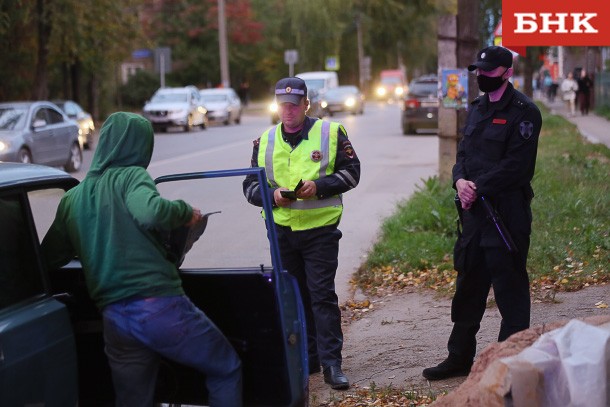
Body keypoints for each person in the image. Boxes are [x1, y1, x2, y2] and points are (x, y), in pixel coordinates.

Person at [41, 112, 242, 406]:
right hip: (159, 306)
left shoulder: (72, 199)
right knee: (226, 368)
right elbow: (149, 212)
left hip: (113, 317)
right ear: (138, 147)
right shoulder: (131, 175)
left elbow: (49, 257)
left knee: (133, 400)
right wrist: (186, 212)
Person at [423, 46, 542, 381]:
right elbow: (463, 154)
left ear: (506, 73)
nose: (481, 78)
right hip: (474, 215)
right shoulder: (476, 109)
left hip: (506, 215)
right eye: (479, 72)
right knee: (468, 289)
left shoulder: (524, 112)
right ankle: (459, 357)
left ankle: (509, 362)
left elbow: (518, 167)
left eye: (489, 72)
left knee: (510, 291)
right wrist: (459, 180)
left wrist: (477, 185)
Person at [242, 77, 360, 390]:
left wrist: (318, 187)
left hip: (320, 230)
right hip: (281, 232)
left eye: (295, 105)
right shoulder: (264, 141)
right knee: (294, 298)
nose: (289, 111)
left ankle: (332, 364)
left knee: (321, 296)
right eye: (283, 105)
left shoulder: (330, 133)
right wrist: (273, 195)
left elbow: (352, 173)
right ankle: (307, 360)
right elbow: (250, 187)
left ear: (306, 104)